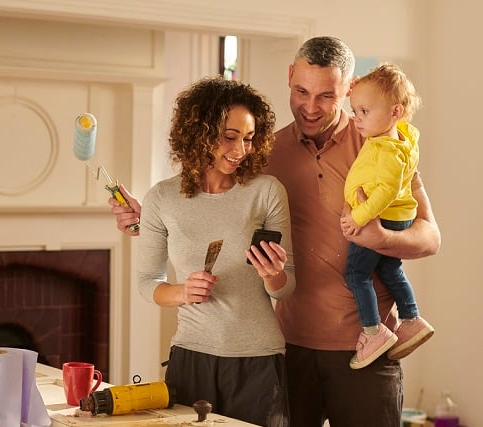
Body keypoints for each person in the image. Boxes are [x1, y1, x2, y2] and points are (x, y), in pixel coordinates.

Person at [111, 37, 440, 427]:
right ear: (289, 78)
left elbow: (429, 236)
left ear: (348, 89)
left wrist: (379, 238)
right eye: (301, 91)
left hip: (365, 346)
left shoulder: (380, 145)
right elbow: (218, 204)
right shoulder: (265, 152)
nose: (310, 106)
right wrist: (152, 219)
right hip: (288, 347)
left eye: (326, 96)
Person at [133, 76, 295, 427]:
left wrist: (273, 275)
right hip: (191, 357)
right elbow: (147, 282)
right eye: (230, 137)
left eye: (249, 139)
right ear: (198, 134)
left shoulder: (266, 191)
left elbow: (287, 286)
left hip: (258, 360)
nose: (240, 151)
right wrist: (181, 292)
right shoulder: (162, 198)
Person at [341, 63, 434, 369]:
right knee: (390, 271)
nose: (357, 118)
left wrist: (360, 217)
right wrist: (363, 91)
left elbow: (386, 192)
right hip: (398, 216)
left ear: (394, 112)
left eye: (364, 111)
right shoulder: (402, 136)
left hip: (382, 217)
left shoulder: (388, 152)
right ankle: (411, 318)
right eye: (355, 110)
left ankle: (373, 331)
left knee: (356, 274)